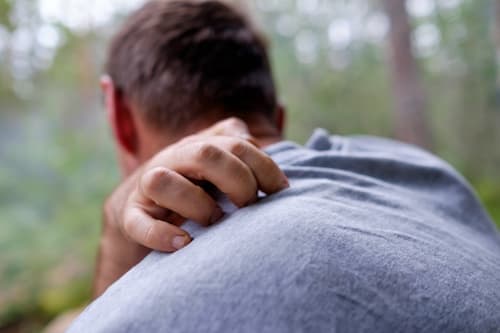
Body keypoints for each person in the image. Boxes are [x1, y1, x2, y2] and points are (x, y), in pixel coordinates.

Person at [68, 0, 500, 332]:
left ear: (120, 120)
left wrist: (114, 224)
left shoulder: (126, 318)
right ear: (277, 117)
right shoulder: (426, 173)